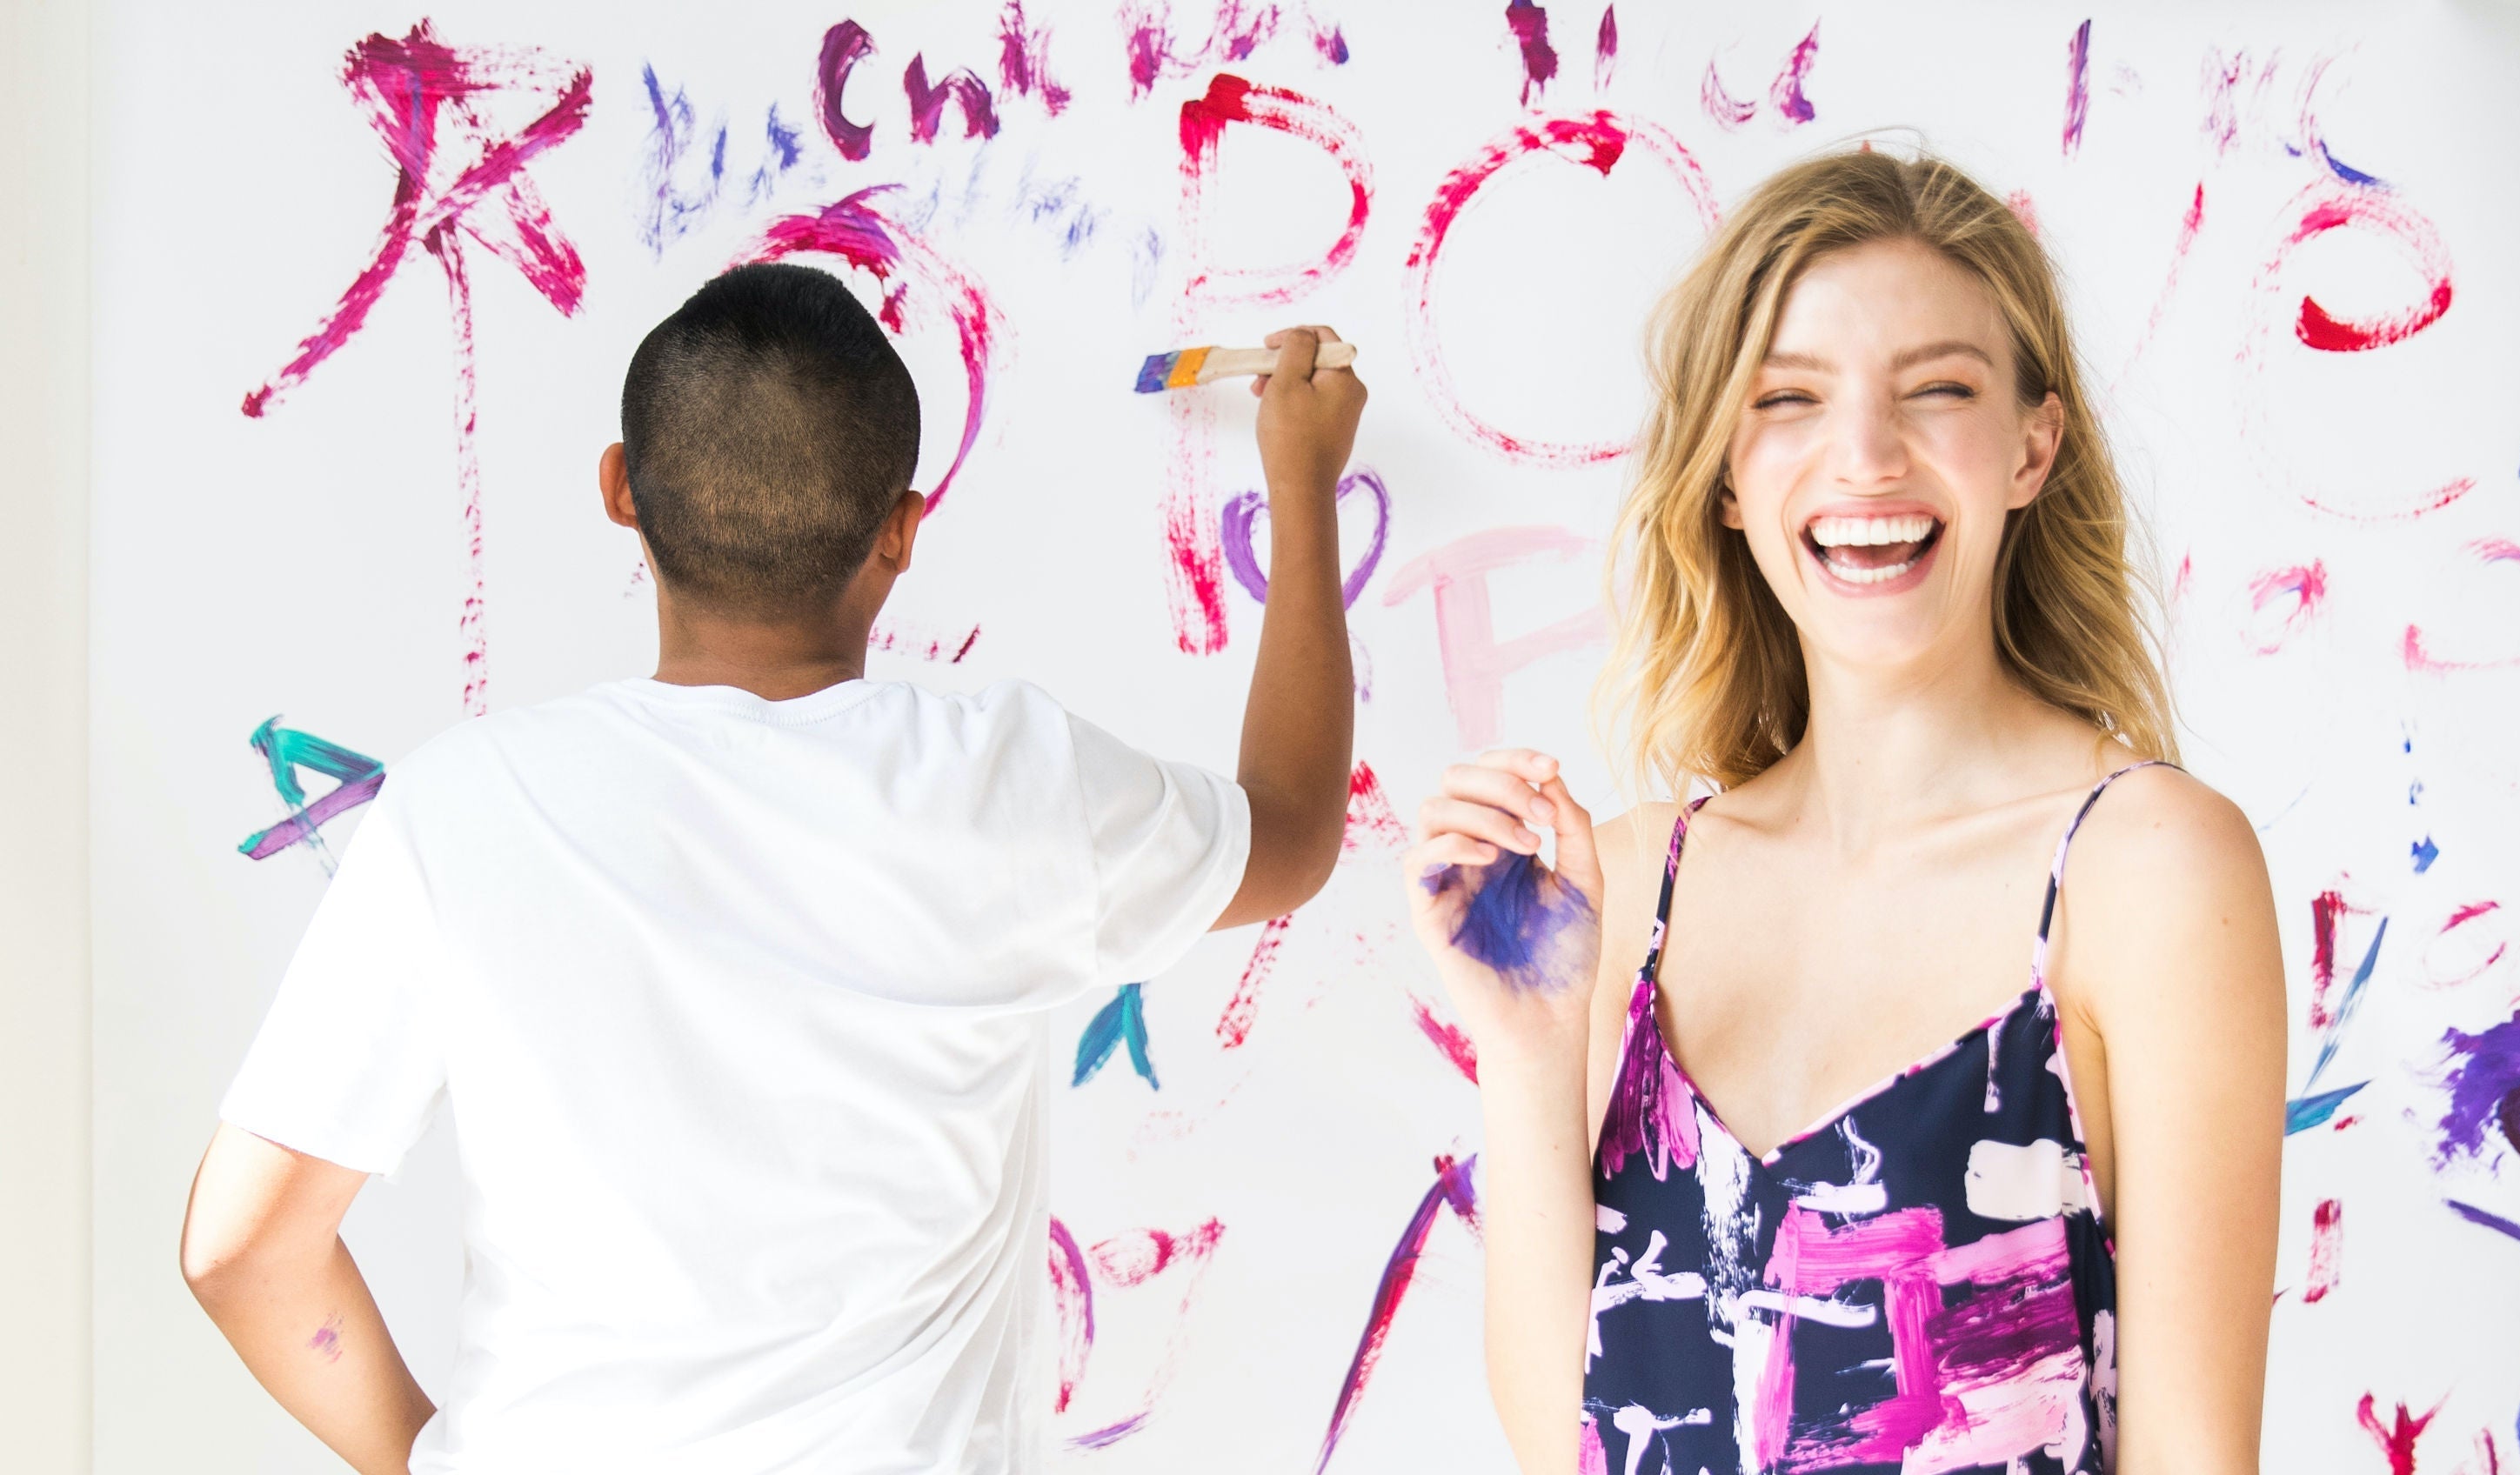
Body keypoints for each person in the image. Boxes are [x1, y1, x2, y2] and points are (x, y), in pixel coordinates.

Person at [179, 263, 1365, 1474]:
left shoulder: (457, 808)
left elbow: (239, 1251)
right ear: (902, 532)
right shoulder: (1009, 791)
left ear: (619, 492)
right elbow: (1293, 831)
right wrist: (1302, 483)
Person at [1407, 149, 2283, 1475]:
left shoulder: (2141, 869)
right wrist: (1527, 1055)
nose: (1865, 456)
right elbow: (1568, 1442)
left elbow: (2197, 1457)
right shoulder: (1634, 883)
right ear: (1722, 473)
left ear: (2032, 445)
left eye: (1937, 391)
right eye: (1789, 400)